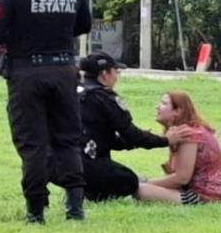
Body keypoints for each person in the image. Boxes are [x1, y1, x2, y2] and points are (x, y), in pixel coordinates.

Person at [0, 0, 92, 223]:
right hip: (64, 71)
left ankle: (36, 211)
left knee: (32, 143)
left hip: (26, 73)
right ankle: (75, 208)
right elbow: (84, 25)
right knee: (68, 139)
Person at [78, 51, 191, 202]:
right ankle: (87, 188)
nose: (117, 77)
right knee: (130, 180)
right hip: (86, 163)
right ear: (105, 74)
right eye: (115, 72)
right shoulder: (104, 98)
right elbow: (131, 134)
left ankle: (88, 191)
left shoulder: (74, 92)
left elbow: (105, 139)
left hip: (56, 160)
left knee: (104, 183)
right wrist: (165, 140)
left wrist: (132, 142)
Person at [137, 91, 221, 205]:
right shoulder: (179, 131)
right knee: (133, 180)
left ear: (177, 111)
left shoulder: (189, 134)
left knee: (140, 190)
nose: (157, 107)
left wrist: (147, 183)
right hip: (189, 188)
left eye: (163, 103)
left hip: (205, 195)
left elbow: (182, 179)